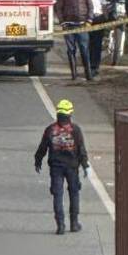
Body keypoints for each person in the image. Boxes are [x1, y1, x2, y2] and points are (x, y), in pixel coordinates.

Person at [34, 99, 90, 235]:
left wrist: (38, 160)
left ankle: (60, 226)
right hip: (72, 167)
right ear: (70, 114)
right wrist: (85, 165)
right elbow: (81, 149)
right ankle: (74, 223)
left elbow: (42, 147)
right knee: (74, 193)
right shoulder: (75, 130)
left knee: (57, 195)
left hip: (56, 167)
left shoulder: (50, 129)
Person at [54, 0, 93, 80]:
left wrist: (89, 20)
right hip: (68, 26)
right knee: (71, 50)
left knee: (84, 49)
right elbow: (59, 9)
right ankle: (74, 75)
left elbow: (90, 7)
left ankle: (88, 74)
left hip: (82, 25)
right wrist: (62, 22)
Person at [83, 0, 110, 77]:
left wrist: (106, 18)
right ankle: (88, 66)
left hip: (98, 18)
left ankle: (95, 66)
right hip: (85, 19)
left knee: (97, 43)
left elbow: (103, 4)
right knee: (86, 43)